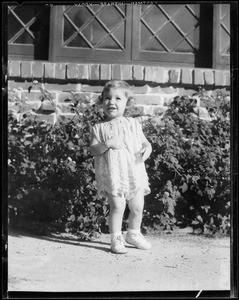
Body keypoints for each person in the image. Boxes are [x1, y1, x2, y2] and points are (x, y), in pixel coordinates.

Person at [90, 80, 152, 254]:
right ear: (101, 102)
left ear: (127, 103)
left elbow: (145, 142)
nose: (112, 102)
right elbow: (93, 150)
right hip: (114, 174)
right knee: (118, 206)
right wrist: (107, 143)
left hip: (134, 170)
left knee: (138, 206)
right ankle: (116, 238)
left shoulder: (133, 124)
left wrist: (147, 149)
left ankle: (133, 233)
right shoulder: (99, 128)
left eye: (118, 98)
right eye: (107, 98)